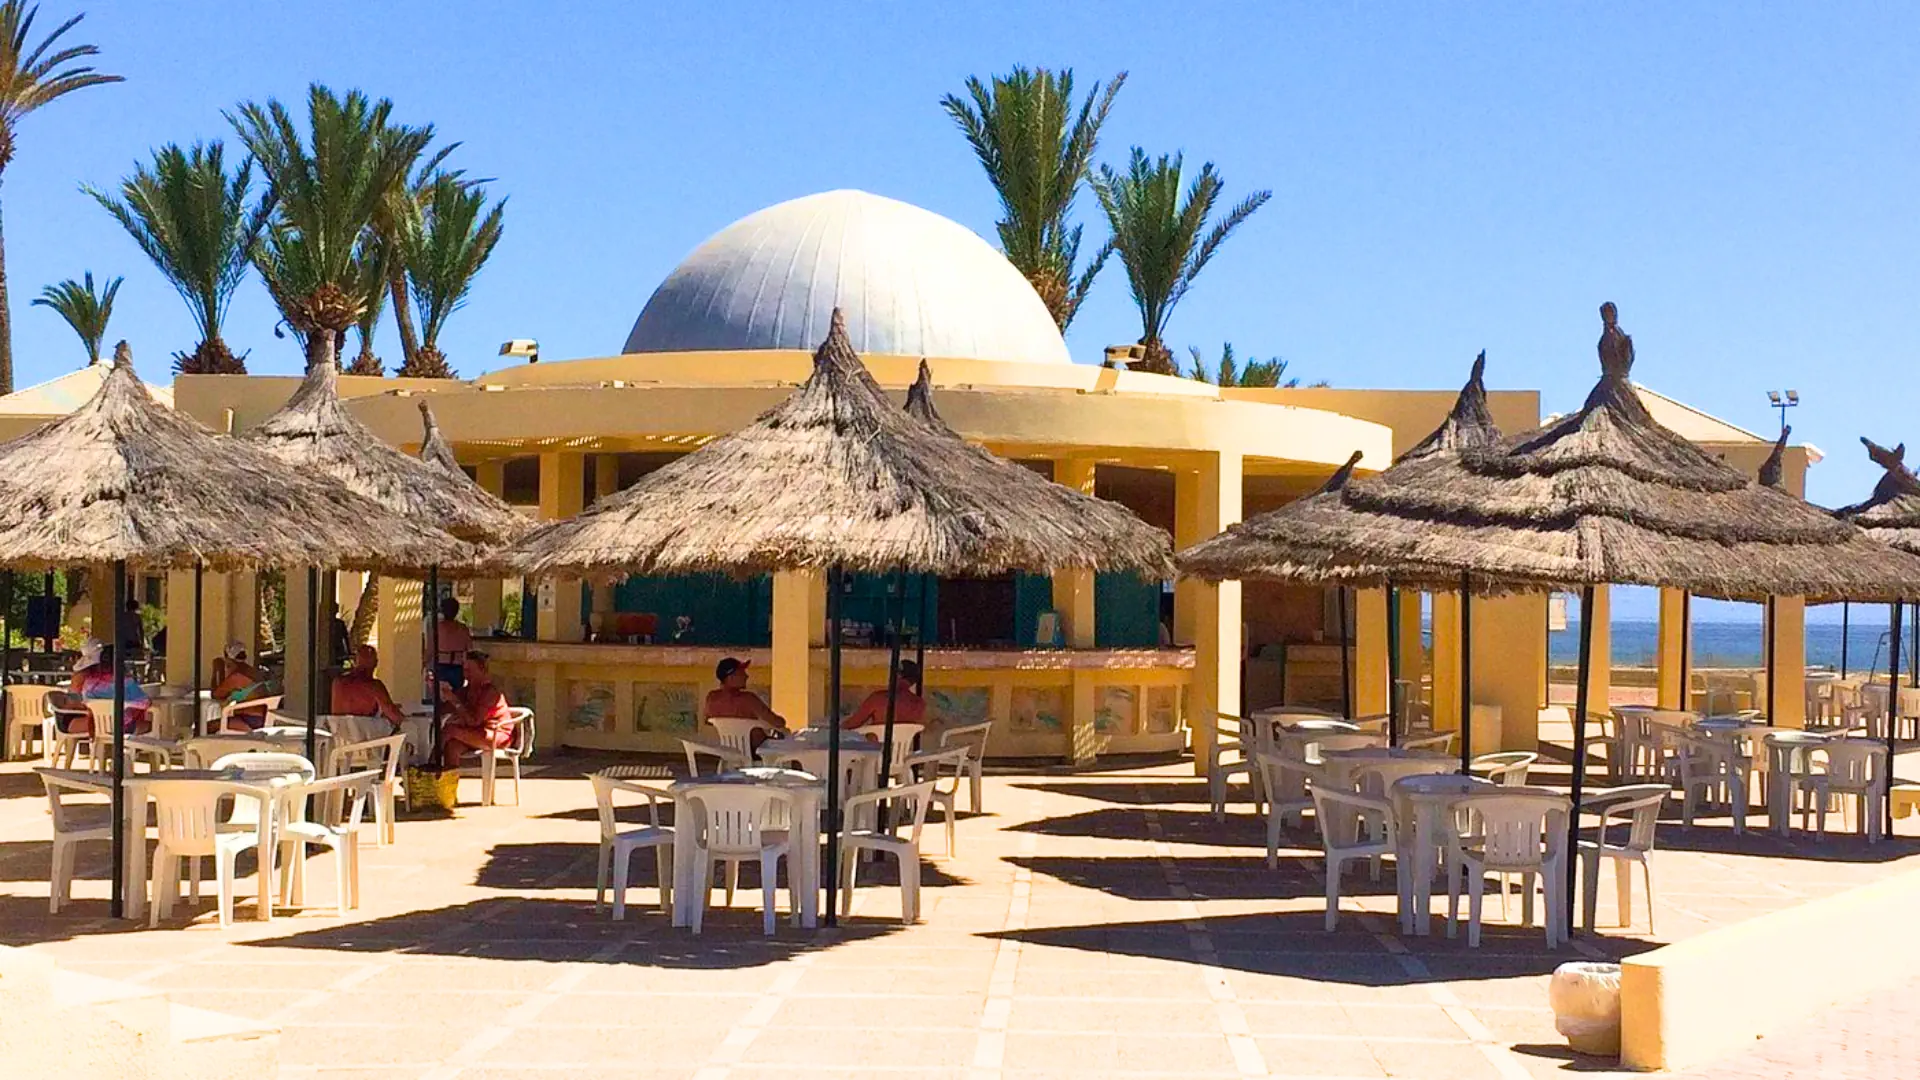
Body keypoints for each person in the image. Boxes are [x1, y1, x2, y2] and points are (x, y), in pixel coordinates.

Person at [437, 650, 516, 769]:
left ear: (482, 670)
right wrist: (439, 692)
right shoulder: (466, 690)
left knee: (451, 730)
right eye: (465, 670)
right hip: (474, 733)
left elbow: (474, 721)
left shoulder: (489, 692)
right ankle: (450, 778)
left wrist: (455, 701)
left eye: (470, 670)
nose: (466, 675)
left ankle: (431, 765)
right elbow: (445, 709)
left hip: (496, 734)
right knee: (452, 746)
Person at [701, 657, 787, 753]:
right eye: (741, 672)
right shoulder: (748, 699)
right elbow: (779, 723)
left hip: (729, 752)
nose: (746, 676)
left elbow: (707, 721)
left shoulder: (712, 698)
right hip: (758, 752)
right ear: (731, 677)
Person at [67, 640, 151, 735]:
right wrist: (127, 704)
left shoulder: (89, 683)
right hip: (123, 726)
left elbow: (84, 701)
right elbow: (145, 703)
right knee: (152, 724)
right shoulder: (126, 682)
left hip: (98, 725)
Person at [841, 659, 926, 736]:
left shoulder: (878, 698)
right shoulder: (919, 704)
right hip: (901, 747)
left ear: (898, 675)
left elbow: (853, 723)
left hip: (875, 747)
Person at [331, 644, 406, 730]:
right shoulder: (374, 686)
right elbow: (394, 716)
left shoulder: (338, 682)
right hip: (363, 735)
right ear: (376, 663)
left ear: (355, 662)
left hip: (339, 734)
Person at [210, 641, 274, 731]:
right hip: (261, 718)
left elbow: (216, 695)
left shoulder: (237, 677)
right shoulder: (252, 671)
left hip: (250, 720)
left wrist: (216, 670)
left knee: (207, 727)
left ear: (227, 658)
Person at [424, 596, 473, 694]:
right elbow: (469, 649)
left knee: (441, 696)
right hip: (457, 667)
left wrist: (424, 664)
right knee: (457, 696)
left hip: (441, 666)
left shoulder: (437, 628)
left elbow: (430, 650)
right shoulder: (463, 629)